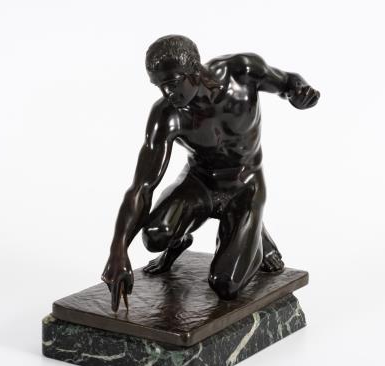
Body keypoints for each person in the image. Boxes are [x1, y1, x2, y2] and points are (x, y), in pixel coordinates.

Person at [101, 35, 320, 311]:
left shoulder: (241, 71)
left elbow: (287, 82)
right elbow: (141, 187)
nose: (166, 93)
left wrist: (299, 92)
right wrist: (118, 250)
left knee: (225, 285)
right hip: (201, 181)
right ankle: (202, 237)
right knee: (155, 235)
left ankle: (255, 233)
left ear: (194, 71)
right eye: (158, 86)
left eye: (172, 83)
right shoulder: (167, 115)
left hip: (245, 183)